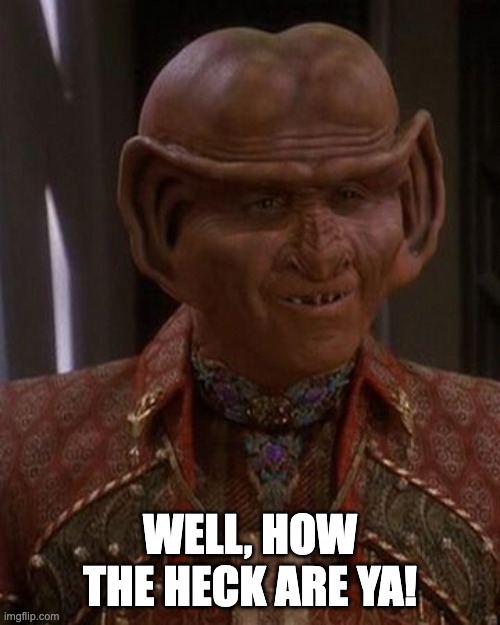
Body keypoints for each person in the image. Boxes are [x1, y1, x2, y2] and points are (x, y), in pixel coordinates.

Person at [0, 22, 499, 625]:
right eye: (266, 203)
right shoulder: (23, 448)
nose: (321, 253)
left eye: (349, 195)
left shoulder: (488, 445)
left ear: (415, 203)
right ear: (161, 219)